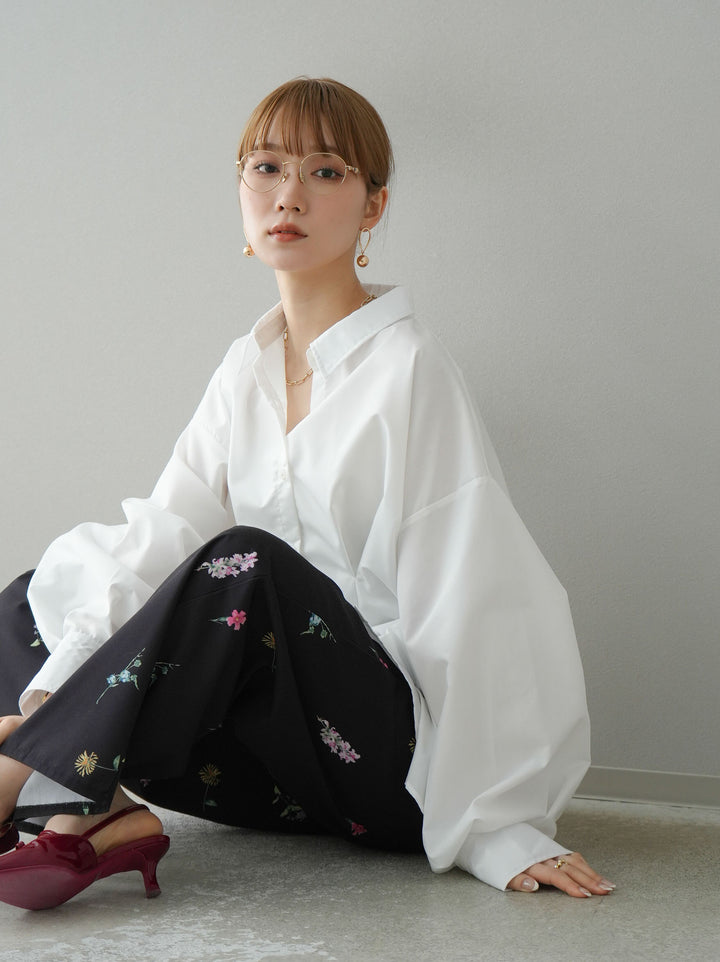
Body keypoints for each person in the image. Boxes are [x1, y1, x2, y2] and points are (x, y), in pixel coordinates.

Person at [0, 77, 615, 910]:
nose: (288, 196)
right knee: (37, 597)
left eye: (325, 172)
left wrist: (496, 827)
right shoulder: (245, 368)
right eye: (266, 168)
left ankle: (28, 777)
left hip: (389, 777)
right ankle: (97, 803)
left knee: (246, 564)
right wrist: (52, 689)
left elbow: (474, 595)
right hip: (271, 777)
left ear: (372, 206)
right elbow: (164, 534)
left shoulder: (410, 369)